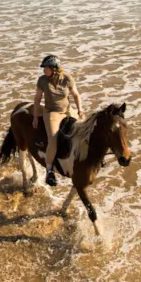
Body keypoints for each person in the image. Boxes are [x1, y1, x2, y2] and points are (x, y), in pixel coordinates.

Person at [32, 54, 83, 187]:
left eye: (46, 68)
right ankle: (49, 171)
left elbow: (76, 95)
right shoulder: (42, 80)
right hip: (51, 113)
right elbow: (37, 99)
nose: (43, 70)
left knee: (85, 128)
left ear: (54, 69)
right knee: (53, 138)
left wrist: (80, 111)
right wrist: (35, 117)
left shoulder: (67, 78)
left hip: (68, 110)